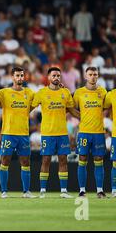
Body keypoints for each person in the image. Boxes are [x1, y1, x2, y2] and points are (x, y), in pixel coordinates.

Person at [31, 67, 80, 198]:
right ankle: (42, 191)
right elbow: (30, 107)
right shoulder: (41, 92)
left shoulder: (66, 92)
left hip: (62, 133)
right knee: (46, 160)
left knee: (63, 160)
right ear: (48, 78)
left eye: (58, 75)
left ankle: (63, 191)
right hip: (47, 133)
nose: (56, 77)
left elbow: (71, 110)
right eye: (54, 75)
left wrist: (84, 117)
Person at [0, 67, 36, 198]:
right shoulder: (3, 92)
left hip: (23, 134)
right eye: (17, 75)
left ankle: (26, 191)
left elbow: (32, 107)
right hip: (8, 133)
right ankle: (4, 191)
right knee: (5, 160)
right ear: (12, 77)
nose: (20, 78)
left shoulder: (30, 93)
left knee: (25, 161)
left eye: (22, 75)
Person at [73, 67, 107, 198]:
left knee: (99, 160)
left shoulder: (103, 92)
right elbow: (70, 107)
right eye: (90, 74)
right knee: (82, 159)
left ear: (98, 76)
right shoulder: (79, 92)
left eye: (95, 74)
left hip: (98, 132)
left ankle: (100, 190)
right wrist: (80, 116)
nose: (93, 77)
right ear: (85, 76)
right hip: (84, 132)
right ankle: (82, 190)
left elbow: (107, 108)